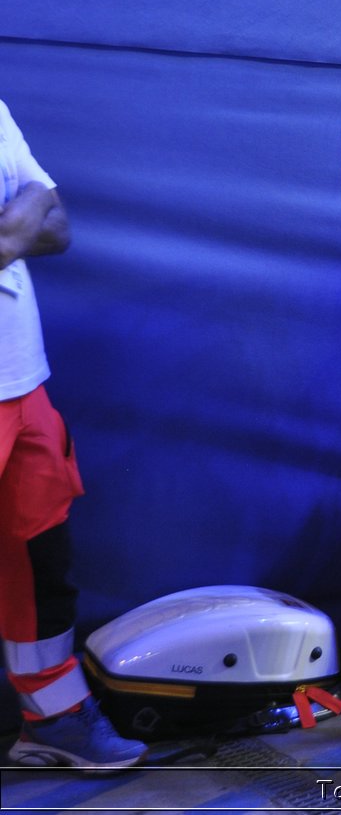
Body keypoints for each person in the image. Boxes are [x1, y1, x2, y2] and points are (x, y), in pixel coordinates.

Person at [1, 101, 146, 771]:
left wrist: (19, 222)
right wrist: (21, 211)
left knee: (41, 566)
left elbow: (56, 224)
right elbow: (31, 214)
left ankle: (53, 719)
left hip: (22, 382)